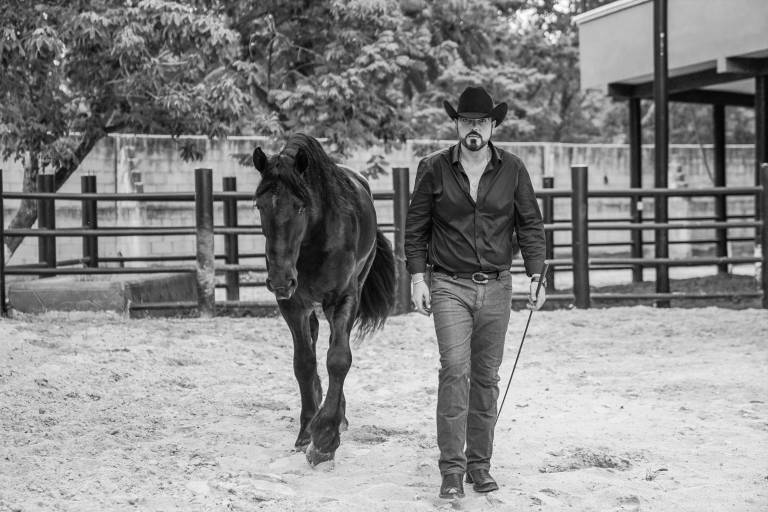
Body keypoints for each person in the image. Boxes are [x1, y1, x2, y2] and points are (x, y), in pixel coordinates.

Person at [404, 86, 547, 499]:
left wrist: (536, 275)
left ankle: (479, 465)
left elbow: (530, 225)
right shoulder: (432, 168)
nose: (474, 128)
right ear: (456, 124)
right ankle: (451, 470)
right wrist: (417, 279)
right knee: (454, 370)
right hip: (448, 284)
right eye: (466, 121)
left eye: (481, 122)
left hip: (498, 286)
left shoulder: (513, 169)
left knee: (486, 377)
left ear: (492, 125)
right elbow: (416, 228)